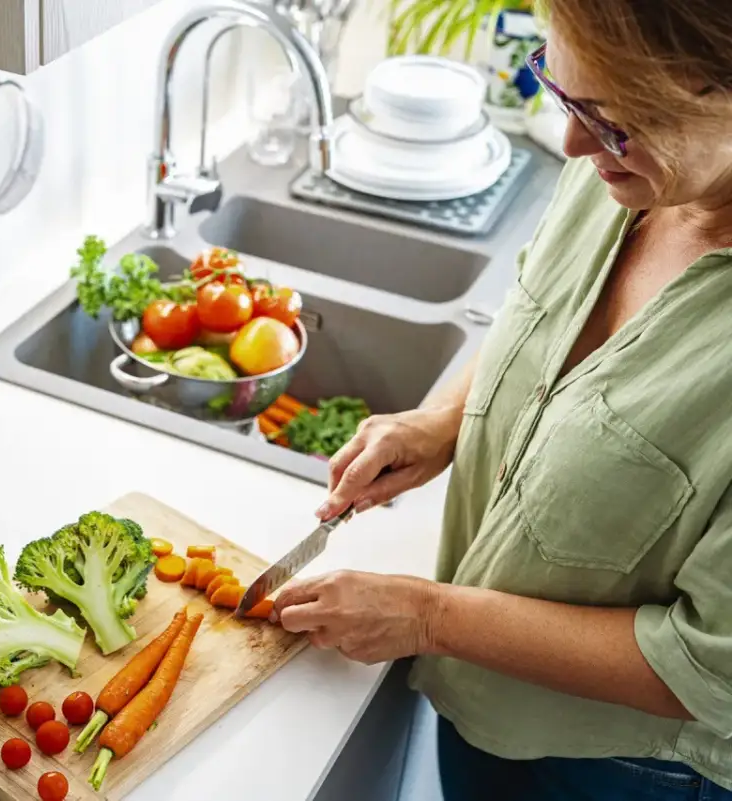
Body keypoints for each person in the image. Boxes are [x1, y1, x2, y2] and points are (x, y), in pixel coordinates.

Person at [269, 2, 732, 799]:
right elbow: (539, 306)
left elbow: (708, 664)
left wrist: (426, 618)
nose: (573, 144)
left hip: (619, 773)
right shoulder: (630, 171)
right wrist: (443, 421)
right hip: (485, 699)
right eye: (562, 92)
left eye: (614, 121)